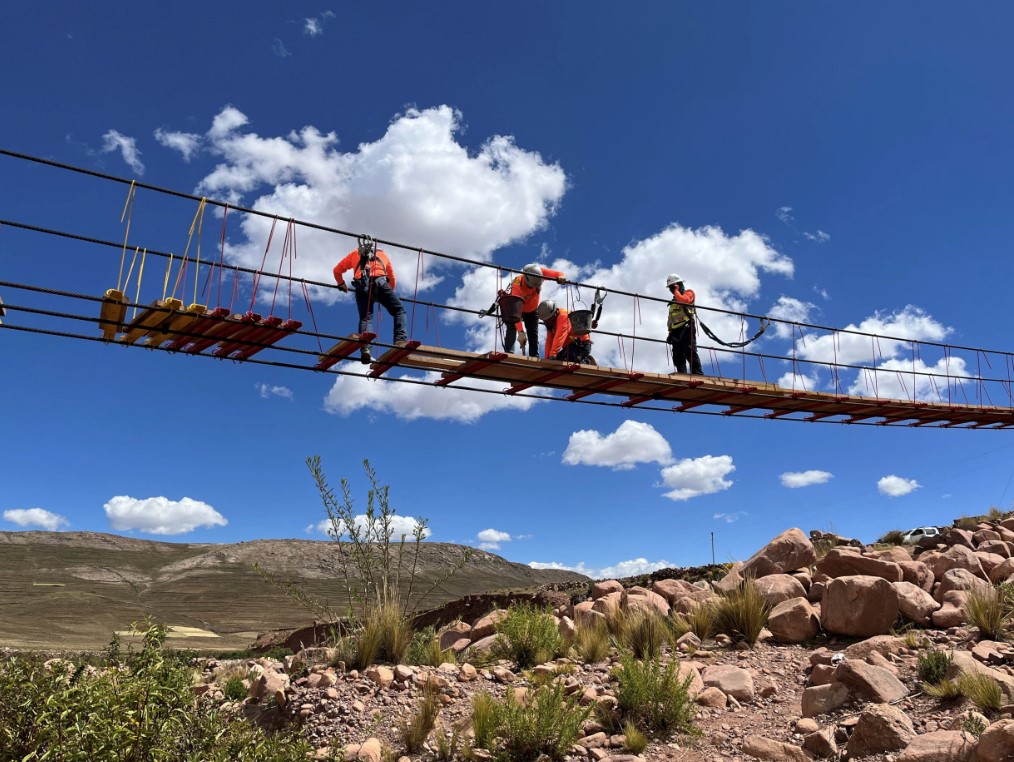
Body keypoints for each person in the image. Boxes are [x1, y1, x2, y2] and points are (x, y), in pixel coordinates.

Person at [333, 236, 407, 363]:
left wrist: (341, 284)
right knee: (399, 310)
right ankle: (400, 340)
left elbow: (337, 270)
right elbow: (392, 279)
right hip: (380, 283)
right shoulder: (383, 255)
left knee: (366, 318)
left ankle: (366, 348)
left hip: (361, 285)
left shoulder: (354, 253)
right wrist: (386, 295)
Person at [503, 263, 567, 357]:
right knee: (512, 326)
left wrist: (561, 277)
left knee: (533, 334)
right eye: (530, 287)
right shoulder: (517, 286)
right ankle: (509, 354)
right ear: (526, 279)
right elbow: (517, 312)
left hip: (532, 310)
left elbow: (557, 273)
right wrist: (521, 332)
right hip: (517, 310)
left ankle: (534, 356)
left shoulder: (539, 272)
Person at [665, 273, 703, 375]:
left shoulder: (689, 293)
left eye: (673, 286)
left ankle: (697, 373)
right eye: (671, 288)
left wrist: (677, 291)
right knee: (677, 356)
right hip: (675, 331)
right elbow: (671, 320)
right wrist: (670, 333)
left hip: (687, 326)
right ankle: (682, 375)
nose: (672, 290)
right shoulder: (673, 303)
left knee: (689, 351)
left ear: (679, 284)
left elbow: (684, 301)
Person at [537, 299, 593, 364]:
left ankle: (585, 362)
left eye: (549, 320)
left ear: (554, 314)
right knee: (558, 360)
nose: (547, 322)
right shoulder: (550, 323)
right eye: (546, 321)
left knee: (569, 358)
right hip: (568, 347)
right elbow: (549, 341)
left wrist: (552, 355)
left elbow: (560, 336)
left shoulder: (564, 316)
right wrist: (547, 360)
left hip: (581, 345)